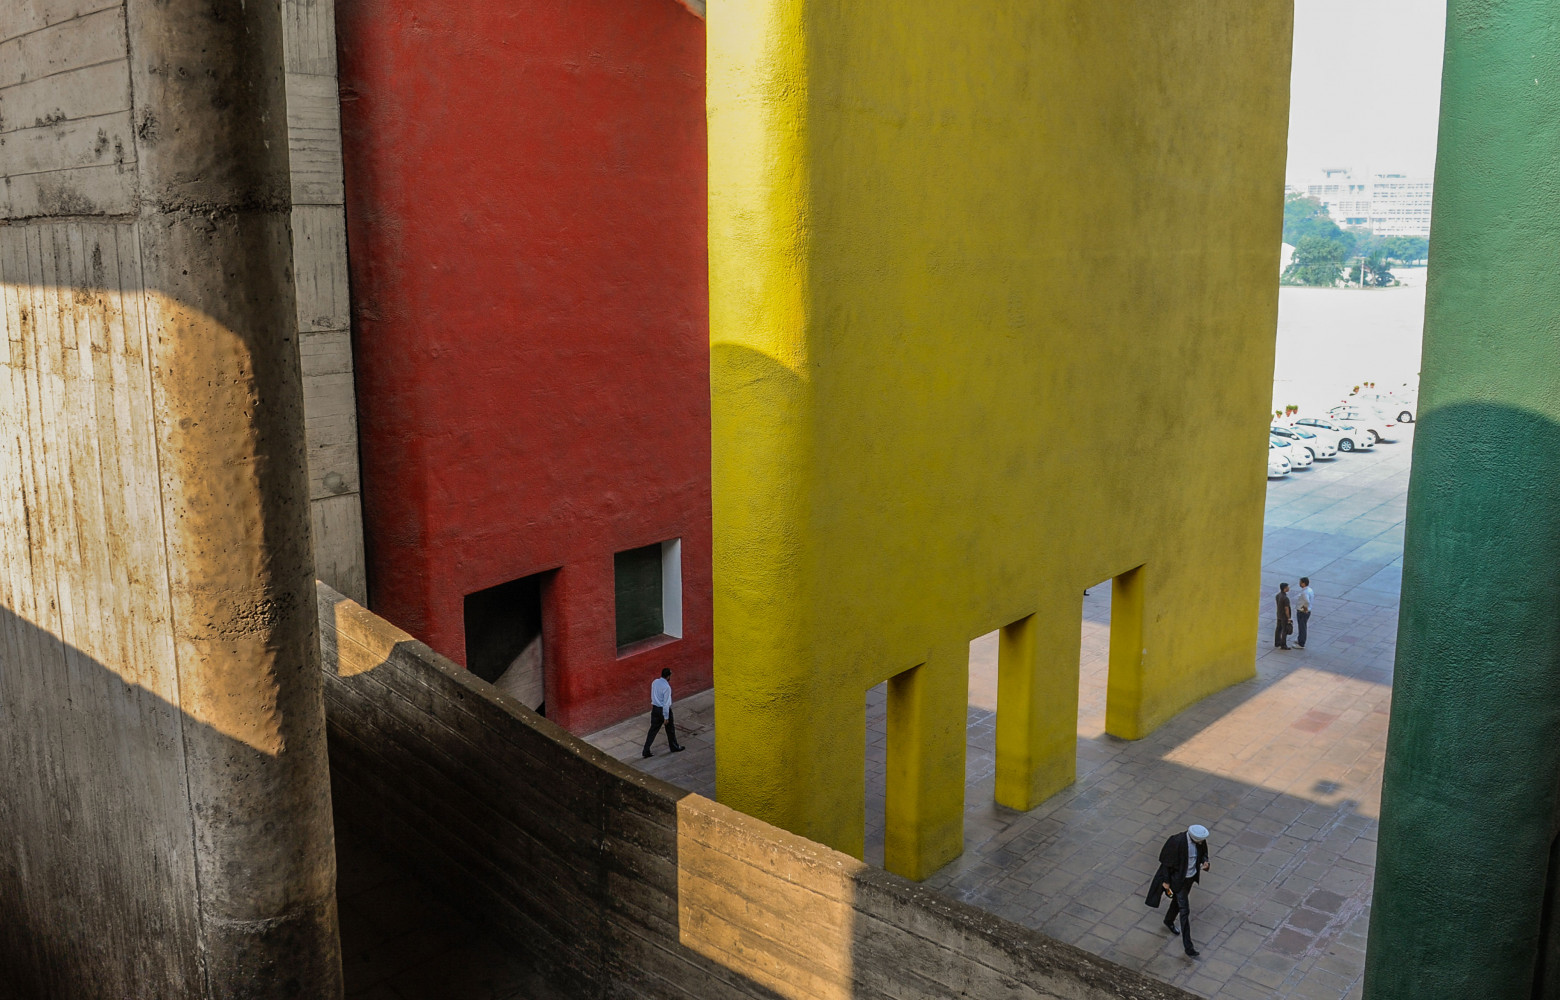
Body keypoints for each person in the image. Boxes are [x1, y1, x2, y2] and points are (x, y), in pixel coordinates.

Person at [1144, 824, 1211, 957]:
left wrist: (1205, 861)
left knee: (1177, 902)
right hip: (1178, 880)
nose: (1202, 842)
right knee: (1184, 911)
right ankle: (1188, 947)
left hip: (1189, 879)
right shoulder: (1176, 841)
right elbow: (1166, 863)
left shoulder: (1200, 841)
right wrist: (1166, 881)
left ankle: (1168, 920)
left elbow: (1204, 853)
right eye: (1200, 840)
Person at [642, 667, 684, 757]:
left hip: (655, 709)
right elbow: (666, 703)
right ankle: (674, 746)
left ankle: (646, 750)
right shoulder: (667, 687)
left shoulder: (655, 682)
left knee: (652, 731)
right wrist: (666, 717)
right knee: (670, 730)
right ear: (668, 676)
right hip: (663, 710)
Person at [1295, 576, 1314, 649]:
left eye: (1300, 582)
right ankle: (1300, 639)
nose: (1299, 584)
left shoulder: (1304, 592)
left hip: (1302, 612)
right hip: (1307, 611)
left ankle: (1301, 643)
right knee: (1302, 626)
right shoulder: (1309, 590)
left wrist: (1305, 607)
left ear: (1303, 583)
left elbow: (1307, 601)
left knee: (1302, 627)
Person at [1274, 582, 1292, 649]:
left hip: (1279, 614)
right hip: (1284, 616)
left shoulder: (1278, 595)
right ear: (1285, 588)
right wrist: (1289, 618)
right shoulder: (1285, 598)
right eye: (1287, 587)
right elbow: (1286, 608)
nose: (1288, 588)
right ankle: (1283, 644)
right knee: (1284, 630)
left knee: (1278, 628)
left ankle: (1277, 642)